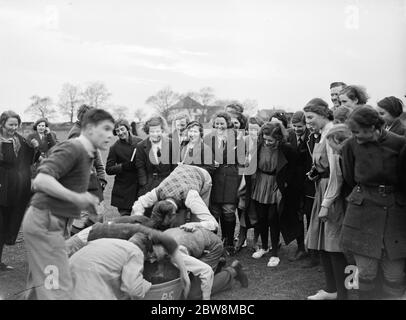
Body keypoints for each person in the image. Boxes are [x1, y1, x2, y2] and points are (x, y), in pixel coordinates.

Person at [22, 109, 115, 299]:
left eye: (111, 130)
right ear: (88, 128)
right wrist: (78, 198)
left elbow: (68, 184)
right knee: (57, 287)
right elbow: (41, 180)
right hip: (44, 222)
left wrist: (86, 204)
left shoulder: (88, 153)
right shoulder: (73, 148)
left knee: (42, 284)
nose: (110, 135)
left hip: (56, 222)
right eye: (105, 129)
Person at [340, 106, 406, 299]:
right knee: (364, 271)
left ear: (373, 127)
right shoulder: (350, 146)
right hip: (362, 210)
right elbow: (349, 177)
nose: (354, 136)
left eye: (357, 132)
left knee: (394, 272)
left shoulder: (400, 144)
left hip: (394, 212)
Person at [69, 226, 190, 300]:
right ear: (146, 252)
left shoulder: (107, 241)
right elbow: (134, 290)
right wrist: (147, 285)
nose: (151, 260)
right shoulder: (135, 252)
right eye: (150, 257)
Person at [303, 98, 348, 300]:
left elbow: (337, 175)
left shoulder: (332, 134)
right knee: (322, 243)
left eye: (311, 117)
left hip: (332, 195)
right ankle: (331, 289)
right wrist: (315, 172)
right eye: (306, 118)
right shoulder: (320, 134)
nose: (308, 122)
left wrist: (326, 204)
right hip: (322, 189)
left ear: (323, 114)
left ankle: (342, 293)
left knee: (334, 246)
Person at [250, 122, 300, 267]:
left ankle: (275, 254)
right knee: (261, 218)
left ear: (278, 138)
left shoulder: (286, 149)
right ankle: (264, 247)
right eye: (265, 139)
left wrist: (284, 184)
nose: (267, 142)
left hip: (276, 185)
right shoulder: (259, 146)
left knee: (274, 219)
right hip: (260, 183)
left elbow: (293, 168)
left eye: (270, 140)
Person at [0, 111, 39, 271]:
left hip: (14, 189)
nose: (13, 128)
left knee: (6, 225)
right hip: (1, 186)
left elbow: (29, 159)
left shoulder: (19, 140)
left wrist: (35, 149)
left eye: (16, 125)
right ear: (2, 124)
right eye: (10, 125)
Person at [131, 164, 218, 232]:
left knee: (196, 220)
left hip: (202, 176)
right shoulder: (159, 190)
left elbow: (213, 224)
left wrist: (195, 225)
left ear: (174, 214)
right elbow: (139, 203)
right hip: (180, 173)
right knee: (179, 223)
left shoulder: (191, 197)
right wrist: (138, 219)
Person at [204, 112, 242, 255]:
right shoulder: (208, 139)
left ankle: (229, 242)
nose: (219, 126)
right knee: (214, 211)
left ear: (228, 124)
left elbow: (242, 160)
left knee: (228, 210)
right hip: (214, 177)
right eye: (217, 123)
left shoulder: (236, 139)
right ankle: (214, 243)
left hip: (231, 177)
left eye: (222, 123)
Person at [68, 104, 108, 232]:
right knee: (85, 216)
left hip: (93, 180)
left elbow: (96, 156)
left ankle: (90, 243)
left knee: (96, 214)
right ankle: (75, 245)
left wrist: (101, 177)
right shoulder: (76, 133)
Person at [287, 111, 314, 262]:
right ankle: (300, 248)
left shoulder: (312, 136)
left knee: (310, 215)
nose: (297, 129)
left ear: (306, 125)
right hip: (294, 183)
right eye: (294, 126)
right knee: (297, 216)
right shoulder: (289, 136)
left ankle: (312, 249)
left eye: (300, 126)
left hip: (309, 182)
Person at [235, 117, 263, 253]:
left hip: (258, 180)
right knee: (242, 207)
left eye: (255, 129)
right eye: (250, 129)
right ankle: (242, 237)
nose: (252, 132)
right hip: (244, 179)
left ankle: (256, 240)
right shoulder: (244, 141)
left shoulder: (263, 142)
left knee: (257, 210)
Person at [106, 119, 143, 216]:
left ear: (128, 128)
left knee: (139, 220)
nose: (120, 132)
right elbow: (108, 169)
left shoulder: (140, 142)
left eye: (122, 129)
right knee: (125, 222)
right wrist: (123, 166)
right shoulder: (114, 148)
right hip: (123, 190)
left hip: (139, 187)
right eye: (117, 131)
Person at [135, 116, 174, 203]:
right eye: (152, 132)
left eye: (158, 131)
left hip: (167, 183)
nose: (155, 134)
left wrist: (171, 183)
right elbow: (140, 166)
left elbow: (174, 166)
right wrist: (144, 184)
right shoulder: (141, 146)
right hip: (149, 184)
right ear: (148, 131)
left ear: (162, 130)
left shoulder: (171, 144)